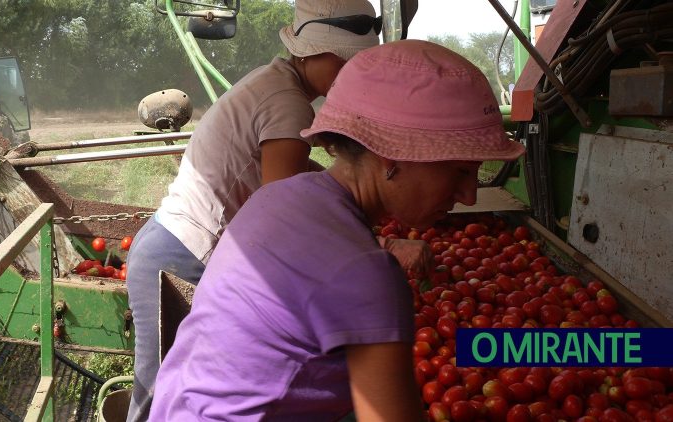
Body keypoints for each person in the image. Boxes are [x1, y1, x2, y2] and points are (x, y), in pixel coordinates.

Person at [149, 40, 525, 421]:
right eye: (460, 171)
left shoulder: (276, 199)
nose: (470, 194)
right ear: (392, 154)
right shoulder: (366, 271)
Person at [125, 0, 380, 420]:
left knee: (174, 388)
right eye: (343, 64)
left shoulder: (273, 83)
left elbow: (294, 175)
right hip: (182, 255)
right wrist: (367, 247)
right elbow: (286, 210)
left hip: (171, 243)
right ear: (312, 53)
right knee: (160, 397)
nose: (349, 76)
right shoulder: (287, 102)